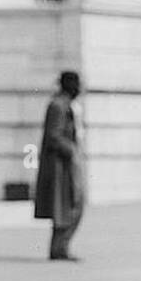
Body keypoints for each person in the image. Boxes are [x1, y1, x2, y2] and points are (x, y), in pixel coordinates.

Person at [34, 70, 86, 261]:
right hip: (61, 167)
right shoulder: (58, 106)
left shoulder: (67, 105)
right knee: (69, 205)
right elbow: (53, 136)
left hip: (67, 163)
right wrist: (72, 151)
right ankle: (59, 249)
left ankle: (60, 248)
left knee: (69, 205)